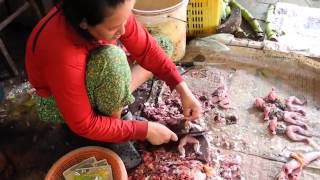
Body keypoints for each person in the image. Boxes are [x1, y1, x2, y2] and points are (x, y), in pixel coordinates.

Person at [25, 0, 202, 168]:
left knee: (162, 44)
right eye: (114, 28)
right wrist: (144, 130)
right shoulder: (63, 56)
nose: (123, 30)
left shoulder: (112, 11)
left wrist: (182, 89)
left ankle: (115, 98)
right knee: (113, 61)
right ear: (84, 23)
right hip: (58, 104)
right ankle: (115, 129)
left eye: (126, 19)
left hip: (92, 78)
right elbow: (84, 124)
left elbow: (147, 50)